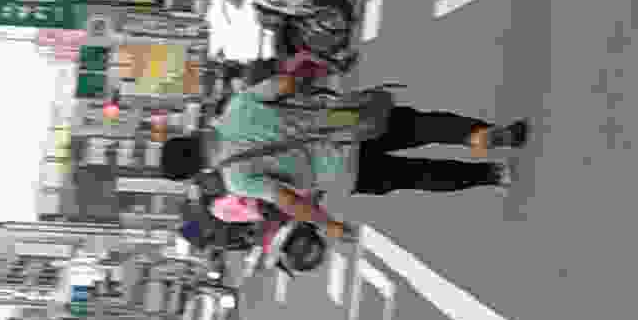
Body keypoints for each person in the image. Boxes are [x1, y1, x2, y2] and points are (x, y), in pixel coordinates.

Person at [194, 71, 530, 249]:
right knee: (420, 127)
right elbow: (285, 83)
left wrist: (328, 224)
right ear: (198, 133)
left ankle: (493, 174)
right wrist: (305, 89)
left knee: (417, 175)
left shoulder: (235, 180)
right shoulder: (237, 108)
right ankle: (476, 135)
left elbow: (287, 200)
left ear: (200, 168)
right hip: (347, 124)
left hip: (344, 173)